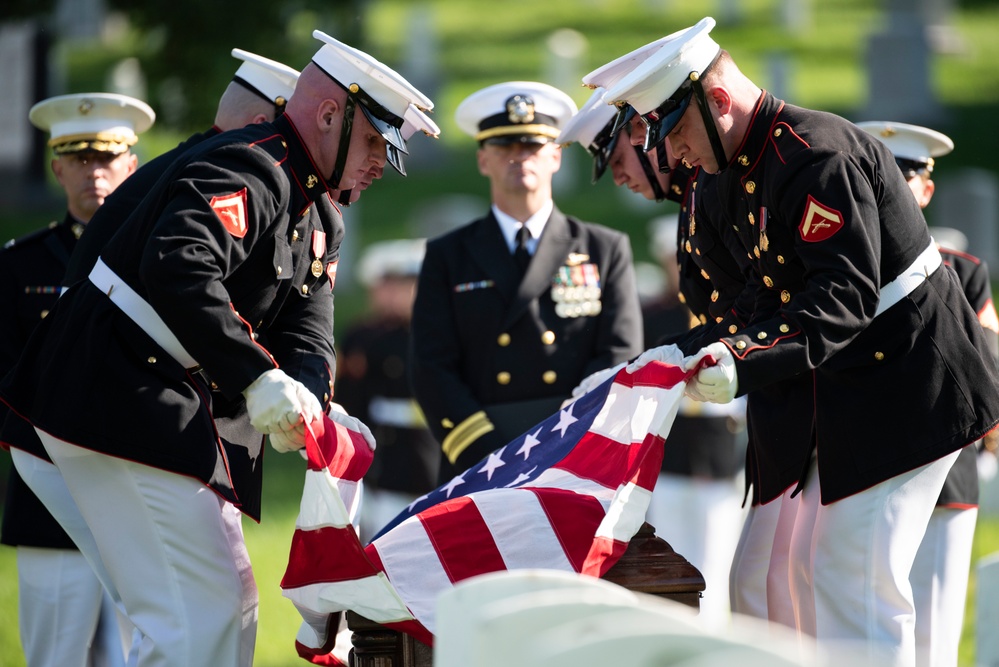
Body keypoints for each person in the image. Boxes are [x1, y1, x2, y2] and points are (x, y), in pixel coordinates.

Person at [0, 30, 437, 666]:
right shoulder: (253, 164)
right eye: (373, 141)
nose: (379, 162)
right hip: (120, 401)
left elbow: (309, 327)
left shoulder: (319, 210)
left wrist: (310, 397)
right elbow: (178, 264)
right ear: (327, 116)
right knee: (204, 616)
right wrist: (259, 379)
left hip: (133, 410)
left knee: (200, 619)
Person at [599, 16, 999, 665]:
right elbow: (755, 299)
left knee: (853, 579)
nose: (669, 158)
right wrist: (685, 354)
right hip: (850, 388)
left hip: (906, 383)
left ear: (718, 101)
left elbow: (841, 297)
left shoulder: (814, 155)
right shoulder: (744, 162)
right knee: (783, 575)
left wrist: (740, 359)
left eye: (674, 133)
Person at [558, 95, 747, 626]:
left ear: (648, 134)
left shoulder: (711, 193)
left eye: (617, 158)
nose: (617, 177)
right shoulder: (694, 203)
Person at [410, 81, 643, 482]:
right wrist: (490, 454)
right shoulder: (448, 255)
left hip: (574, 456)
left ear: (555, 156)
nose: (520, 159)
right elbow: (431, 366)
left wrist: (566, 439)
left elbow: (620, 354)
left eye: (532, 147)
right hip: (481, 459)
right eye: (504, 148)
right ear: (483, 159)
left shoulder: (604, 249)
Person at [0, 91, 154, 667]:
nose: (95, 171)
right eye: (79, 158)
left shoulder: (158, 258)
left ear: (131, 165)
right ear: (56, 167)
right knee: (55, 656)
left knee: (145, 651)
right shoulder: (19, 266)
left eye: (107, 157)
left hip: (138, 491)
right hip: (48, 499)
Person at [858, 119, 999, 667]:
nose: (890, 186)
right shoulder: (844, 269)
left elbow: (985, 368)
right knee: (860, 630)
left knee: (934, 637)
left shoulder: (962, 274)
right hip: (862, 471)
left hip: (944, 477)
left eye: (905, 174)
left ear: (925, 188)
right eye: (878, 174)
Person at [336, 239, 438, 542]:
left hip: (431, 459)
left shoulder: (439, 334)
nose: (400, 294)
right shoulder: (364, 337)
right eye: (391, 285)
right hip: (383, 461)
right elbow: (350, 399)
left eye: (408, 284)